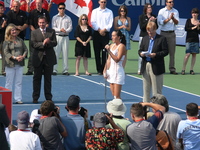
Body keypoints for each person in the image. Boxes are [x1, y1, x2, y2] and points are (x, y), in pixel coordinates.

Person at [138, 22, 168, 103]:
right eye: (148, 31)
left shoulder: (162, 38)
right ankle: (146, 109)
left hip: (156, 66)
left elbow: (165, 51)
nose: (150, 33)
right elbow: (140, 50)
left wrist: (155, 55)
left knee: (156, 92)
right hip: (146, 65)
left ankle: (157, 109)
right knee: (146, 89)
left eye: (151, 31)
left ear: (155, 29)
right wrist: (141, 54)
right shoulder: (145, 38)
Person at [31, 16, 57, 103]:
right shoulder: (34, 32)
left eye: (43, 22)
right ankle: (35, 97)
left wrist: (49, 42)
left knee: (48, 79)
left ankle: (48, 98)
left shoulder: (51, 31)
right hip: (38, 58)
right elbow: (33, 44)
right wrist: (43, 43)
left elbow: (55, 43)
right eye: (40, 23)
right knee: (36, 79)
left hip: (48, 59)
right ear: (38, 23)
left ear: (46, 23)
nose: (42, 24)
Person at [3, 23, 28, 104]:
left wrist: (23, 56)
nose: (14, 31)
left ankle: (18, 99)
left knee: (19, 82)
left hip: (19, 64)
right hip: (10, 64)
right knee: (9, 82)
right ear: (9, 32)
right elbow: (6, 52)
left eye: (15, 30)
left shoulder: (20, 40)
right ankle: (7, 99)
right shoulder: (6, 42)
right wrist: (14, 57)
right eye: (12, 30)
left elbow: (25, 49)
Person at [26, 0, 50, 75]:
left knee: (42, 53)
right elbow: (30, 24)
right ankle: (30, 69)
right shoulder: (32, 13)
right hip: (34, 35)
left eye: (39, 3)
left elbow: (47, 23)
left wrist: (42, 31)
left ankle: (42, 69)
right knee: (32, 53)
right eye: (36, 3)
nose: (38, 4)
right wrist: (36, 32)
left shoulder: (45, 12)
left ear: (42, 4)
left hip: (43, 35)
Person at [91, 0, 113, 75]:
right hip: (97, 34)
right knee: (97, 53)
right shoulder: (95, 11)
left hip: (105, 34)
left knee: (105, 52)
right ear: (99, 2)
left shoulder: (109, 12)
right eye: (102, 2)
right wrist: (99, 30)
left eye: (104, 2)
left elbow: (110, 23)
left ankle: (104, 68)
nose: (103, 3)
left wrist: (104, 30)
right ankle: (99, 69)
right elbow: (92, 22)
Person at [157, 0, 179, 75]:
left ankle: (172, 69)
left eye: (172, 2)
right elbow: (160, 22)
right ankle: (160, 68)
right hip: (163, 33)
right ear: (166, 3)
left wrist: (173, 18)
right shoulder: (161, 11)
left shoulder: (176, 11)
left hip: (172, 33)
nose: (171, 3)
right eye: (170, 2)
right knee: (161, 52)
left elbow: (177, 23)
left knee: (172, 52)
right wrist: (169, 19)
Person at [103, 30, 126, 99]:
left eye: (114, 36)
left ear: (118, 37)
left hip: (118, 72)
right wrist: (105, 70)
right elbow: (109, 60)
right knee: (113, 94)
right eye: (112, 36)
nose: (112, 37)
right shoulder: (112, 45)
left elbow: (117, 59)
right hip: (111, 72)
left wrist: (109, 51)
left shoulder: (121, 46)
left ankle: (120, 109)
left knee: (117, 96)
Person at [52, 2, 72, 76]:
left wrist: (66, 30)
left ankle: (65, 70)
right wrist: (60, 30)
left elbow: (70, 27)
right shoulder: (55, 17)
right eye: (60, 8)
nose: (62, 10)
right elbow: (53, 27)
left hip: (65, 37)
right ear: (58, 9)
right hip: (58, 36)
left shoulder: (68, 18)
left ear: (65, 9)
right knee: (56, 54)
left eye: (63, 8)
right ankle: (54, 69)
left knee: (65, 54)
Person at [138, 3, 157, 75]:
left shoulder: (154, 16)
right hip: (143, 36)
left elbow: (156, 27)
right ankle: (140, 69)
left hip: (152, 37)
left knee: (151, 52)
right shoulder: (142, 17)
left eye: (151, 7)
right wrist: (149, 21)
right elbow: (142, 27)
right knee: (142, 53)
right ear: (145, 9)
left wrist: (154, 22)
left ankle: (150, 68)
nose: (150, 9)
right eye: (148, 7)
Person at [181, 8, 200, 75]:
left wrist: (198, 27)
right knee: (187, 54)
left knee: (194, 55)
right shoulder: (188, 20)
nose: (194, 14)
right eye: (192, 13)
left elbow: (199, 32)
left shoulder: (198, 22)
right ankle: (183, 69)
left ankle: (191, 69)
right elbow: (186, 29)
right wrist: (194, 27)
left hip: (196, 40)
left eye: (195, 13)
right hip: (189, 40)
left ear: (197, 14)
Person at [0, 2, 9, 76]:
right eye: (0, 8)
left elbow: (8, 28)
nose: (2, 9)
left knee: (4, 55)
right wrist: (2, 26)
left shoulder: (6, 17)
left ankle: (3, 70)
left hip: (4, 40)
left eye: (3, 8)